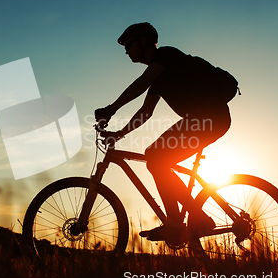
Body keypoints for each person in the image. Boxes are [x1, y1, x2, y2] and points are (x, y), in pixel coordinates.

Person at [95, 22, 232, 241]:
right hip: (202, 120)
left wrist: (111, 109)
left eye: (129, 45)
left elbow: (140, 83)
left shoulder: (166, 55)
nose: (126, 51)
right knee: (156, 158)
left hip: (209, 118)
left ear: (143, 41)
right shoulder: (158, 77)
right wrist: (118, 134)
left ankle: (175, 224)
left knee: (156, 157)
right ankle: (198, 219)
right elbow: (145, 113)